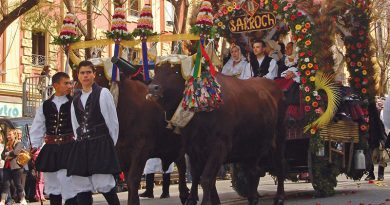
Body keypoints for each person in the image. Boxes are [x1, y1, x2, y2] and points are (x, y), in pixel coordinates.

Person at [67, 60, 120, 205]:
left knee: (104, 184)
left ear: (94, 75)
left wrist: (109, 146)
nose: (85, 76)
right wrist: (80, 141)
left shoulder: (103, 93)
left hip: (101, 143)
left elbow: (112, 123)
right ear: (78, 76)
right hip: (82, 145)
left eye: (88, 72)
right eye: (82, 73)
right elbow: (75, 125)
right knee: (81, 185)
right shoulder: (75, 99)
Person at [30, 72, 78, 205]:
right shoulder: (45, 105)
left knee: (68, 184)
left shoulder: (73, 103)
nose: (69, 86)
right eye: (66, 83)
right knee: (52, 186)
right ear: (56, 85)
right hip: (50, 150)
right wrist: (34, 146)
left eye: (70, 83)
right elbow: (38, 126)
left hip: (68, 147)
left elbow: (78, 125)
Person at [0, 129, 27, 205]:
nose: (8, 136)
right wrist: (8, 155)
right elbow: (2, 155)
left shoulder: (19, 143)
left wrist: (7, 154)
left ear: (14, 135)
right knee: (5, 184)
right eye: (8, 135)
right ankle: (2, 201)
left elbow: (15, 152)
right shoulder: (7, 144)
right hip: (6, 167)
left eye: (10, 134)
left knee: (18, 184)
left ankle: (22, 199)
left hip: (16, 167)